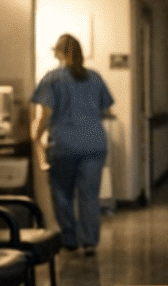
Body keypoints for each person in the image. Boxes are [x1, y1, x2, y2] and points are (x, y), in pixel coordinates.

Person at [31, 33, 114, 256]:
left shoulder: (53, 78)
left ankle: (69, 239)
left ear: (59, 52)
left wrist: (36, 134)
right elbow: (106, 109)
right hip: (94, 145)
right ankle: (89, 242)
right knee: (89, 195)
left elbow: (45, 113)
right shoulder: (95, 78)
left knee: (62, 193)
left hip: (64, 145)